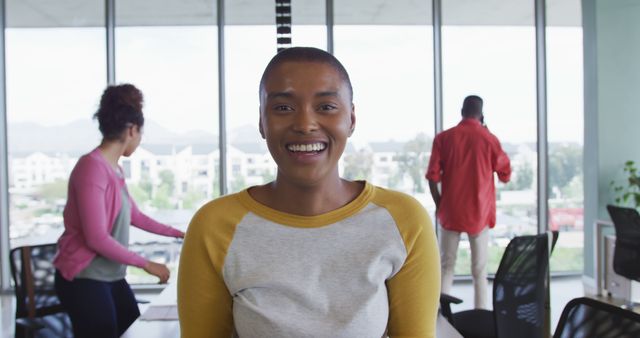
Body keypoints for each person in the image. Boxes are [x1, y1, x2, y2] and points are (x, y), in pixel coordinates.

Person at [178, 47, 440, 337]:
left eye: (326, 106)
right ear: (262, 123)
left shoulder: (403, 221)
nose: (304, 125)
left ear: (351, 119)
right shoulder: (214, 226)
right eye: (283, 108)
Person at [53, 84, 185, 338]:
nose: (139, 138)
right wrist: (146, 264)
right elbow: (96, 237)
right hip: (85, 277)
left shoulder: (113, 170)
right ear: (132, 130)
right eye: (140, 133)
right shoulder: (91, 169)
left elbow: (135, 216)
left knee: (133, 328)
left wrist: (179, 233)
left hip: (110, 276)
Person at [425, 95, 511, 309]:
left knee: (446, 266)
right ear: (481, 115)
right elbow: (505, 174)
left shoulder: (443, 138)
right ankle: (481, 314)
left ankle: (440, 315)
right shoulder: (489, 139)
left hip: (450, 212)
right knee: (480, 270)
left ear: (461, 111)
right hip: (479, 214)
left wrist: (440, 203)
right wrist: (487, 132)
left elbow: (432, 177)